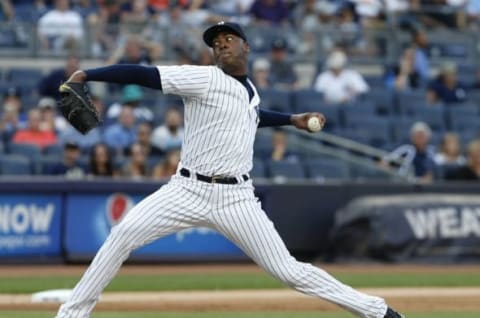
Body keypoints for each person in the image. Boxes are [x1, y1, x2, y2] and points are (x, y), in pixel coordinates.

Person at [55, 21, 403, 318]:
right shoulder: (202, 78)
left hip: (236, 199)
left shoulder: (250, 90)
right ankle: (72, 314)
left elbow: (251, 115)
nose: (220, 45)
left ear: (246, 47)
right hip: (186, 190)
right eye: (215, 43)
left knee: (290, 272)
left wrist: (291, 120)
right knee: (122, 235)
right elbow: (144, 75)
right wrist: (89, 74)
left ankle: (376, 311)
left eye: (228, 40)